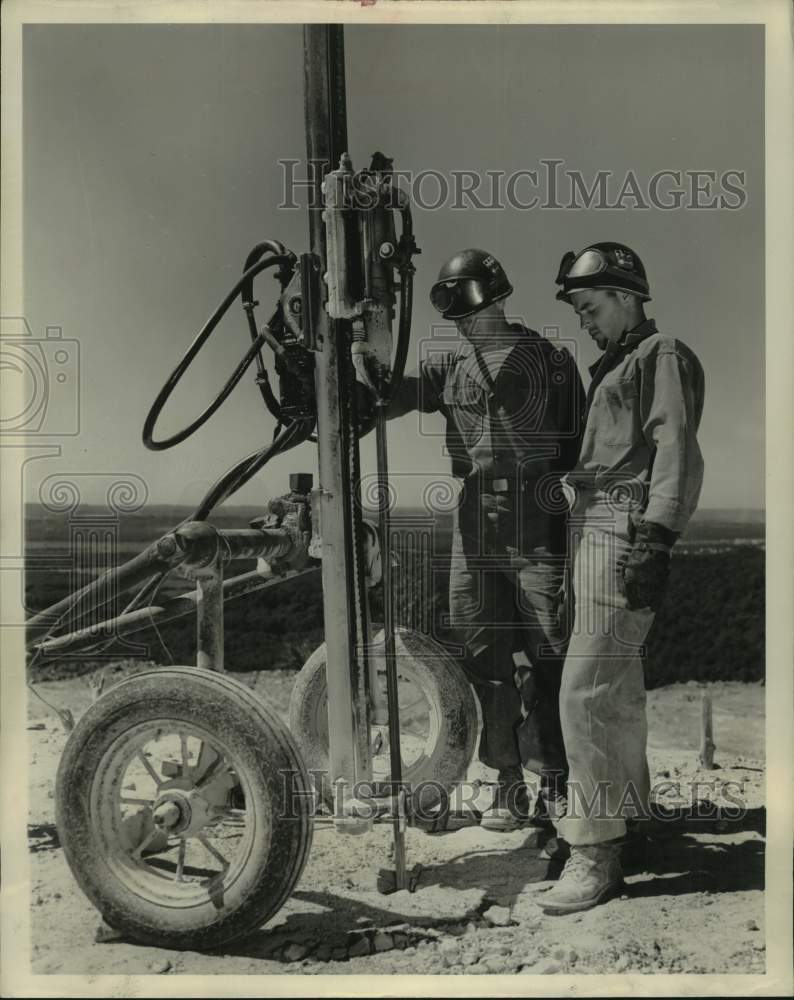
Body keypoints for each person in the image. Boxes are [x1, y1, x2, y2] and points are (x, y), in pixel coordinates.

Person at [387, 248, 585, 830]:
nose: (464, 322)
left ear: (497, 296)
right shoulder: (450, 366)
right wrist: (353, 368)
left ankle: (556, 779)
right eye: (454, 314)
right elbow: (389, 394)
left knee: (550, 655)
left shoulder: (550, 361)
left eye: (469, 308)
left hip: (537, 523)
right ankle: (506, 781)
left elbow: (579, 445)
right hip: (474, 526)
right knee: (483, 654)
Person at [541, 241, 705, 914]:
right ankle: (631, 823)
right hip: (594, 525)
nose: (585, 322)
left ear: (627, 295)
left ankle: (594, 851)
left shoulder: (658, 353)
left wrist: (656, 538)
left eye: (590, 307)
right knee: (618, 691)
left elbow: (675, 445)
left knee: (583, 694)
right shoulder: (617, 362)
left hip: (622, 526)